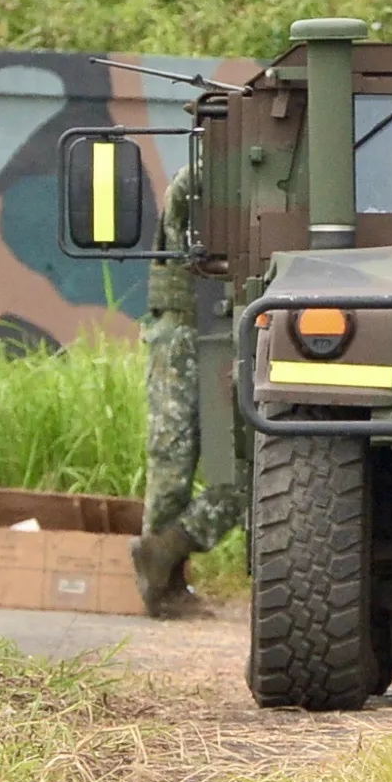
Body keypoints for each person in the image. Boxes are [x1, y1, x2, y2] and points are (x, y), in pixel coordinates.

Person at [130, 165, 247, 616]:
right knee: (172, 457)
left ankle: (165, 553)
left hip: (215, 330)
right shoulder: (203, 175)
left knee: (238, 476)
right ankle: (162, 579)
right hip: (183, 329)